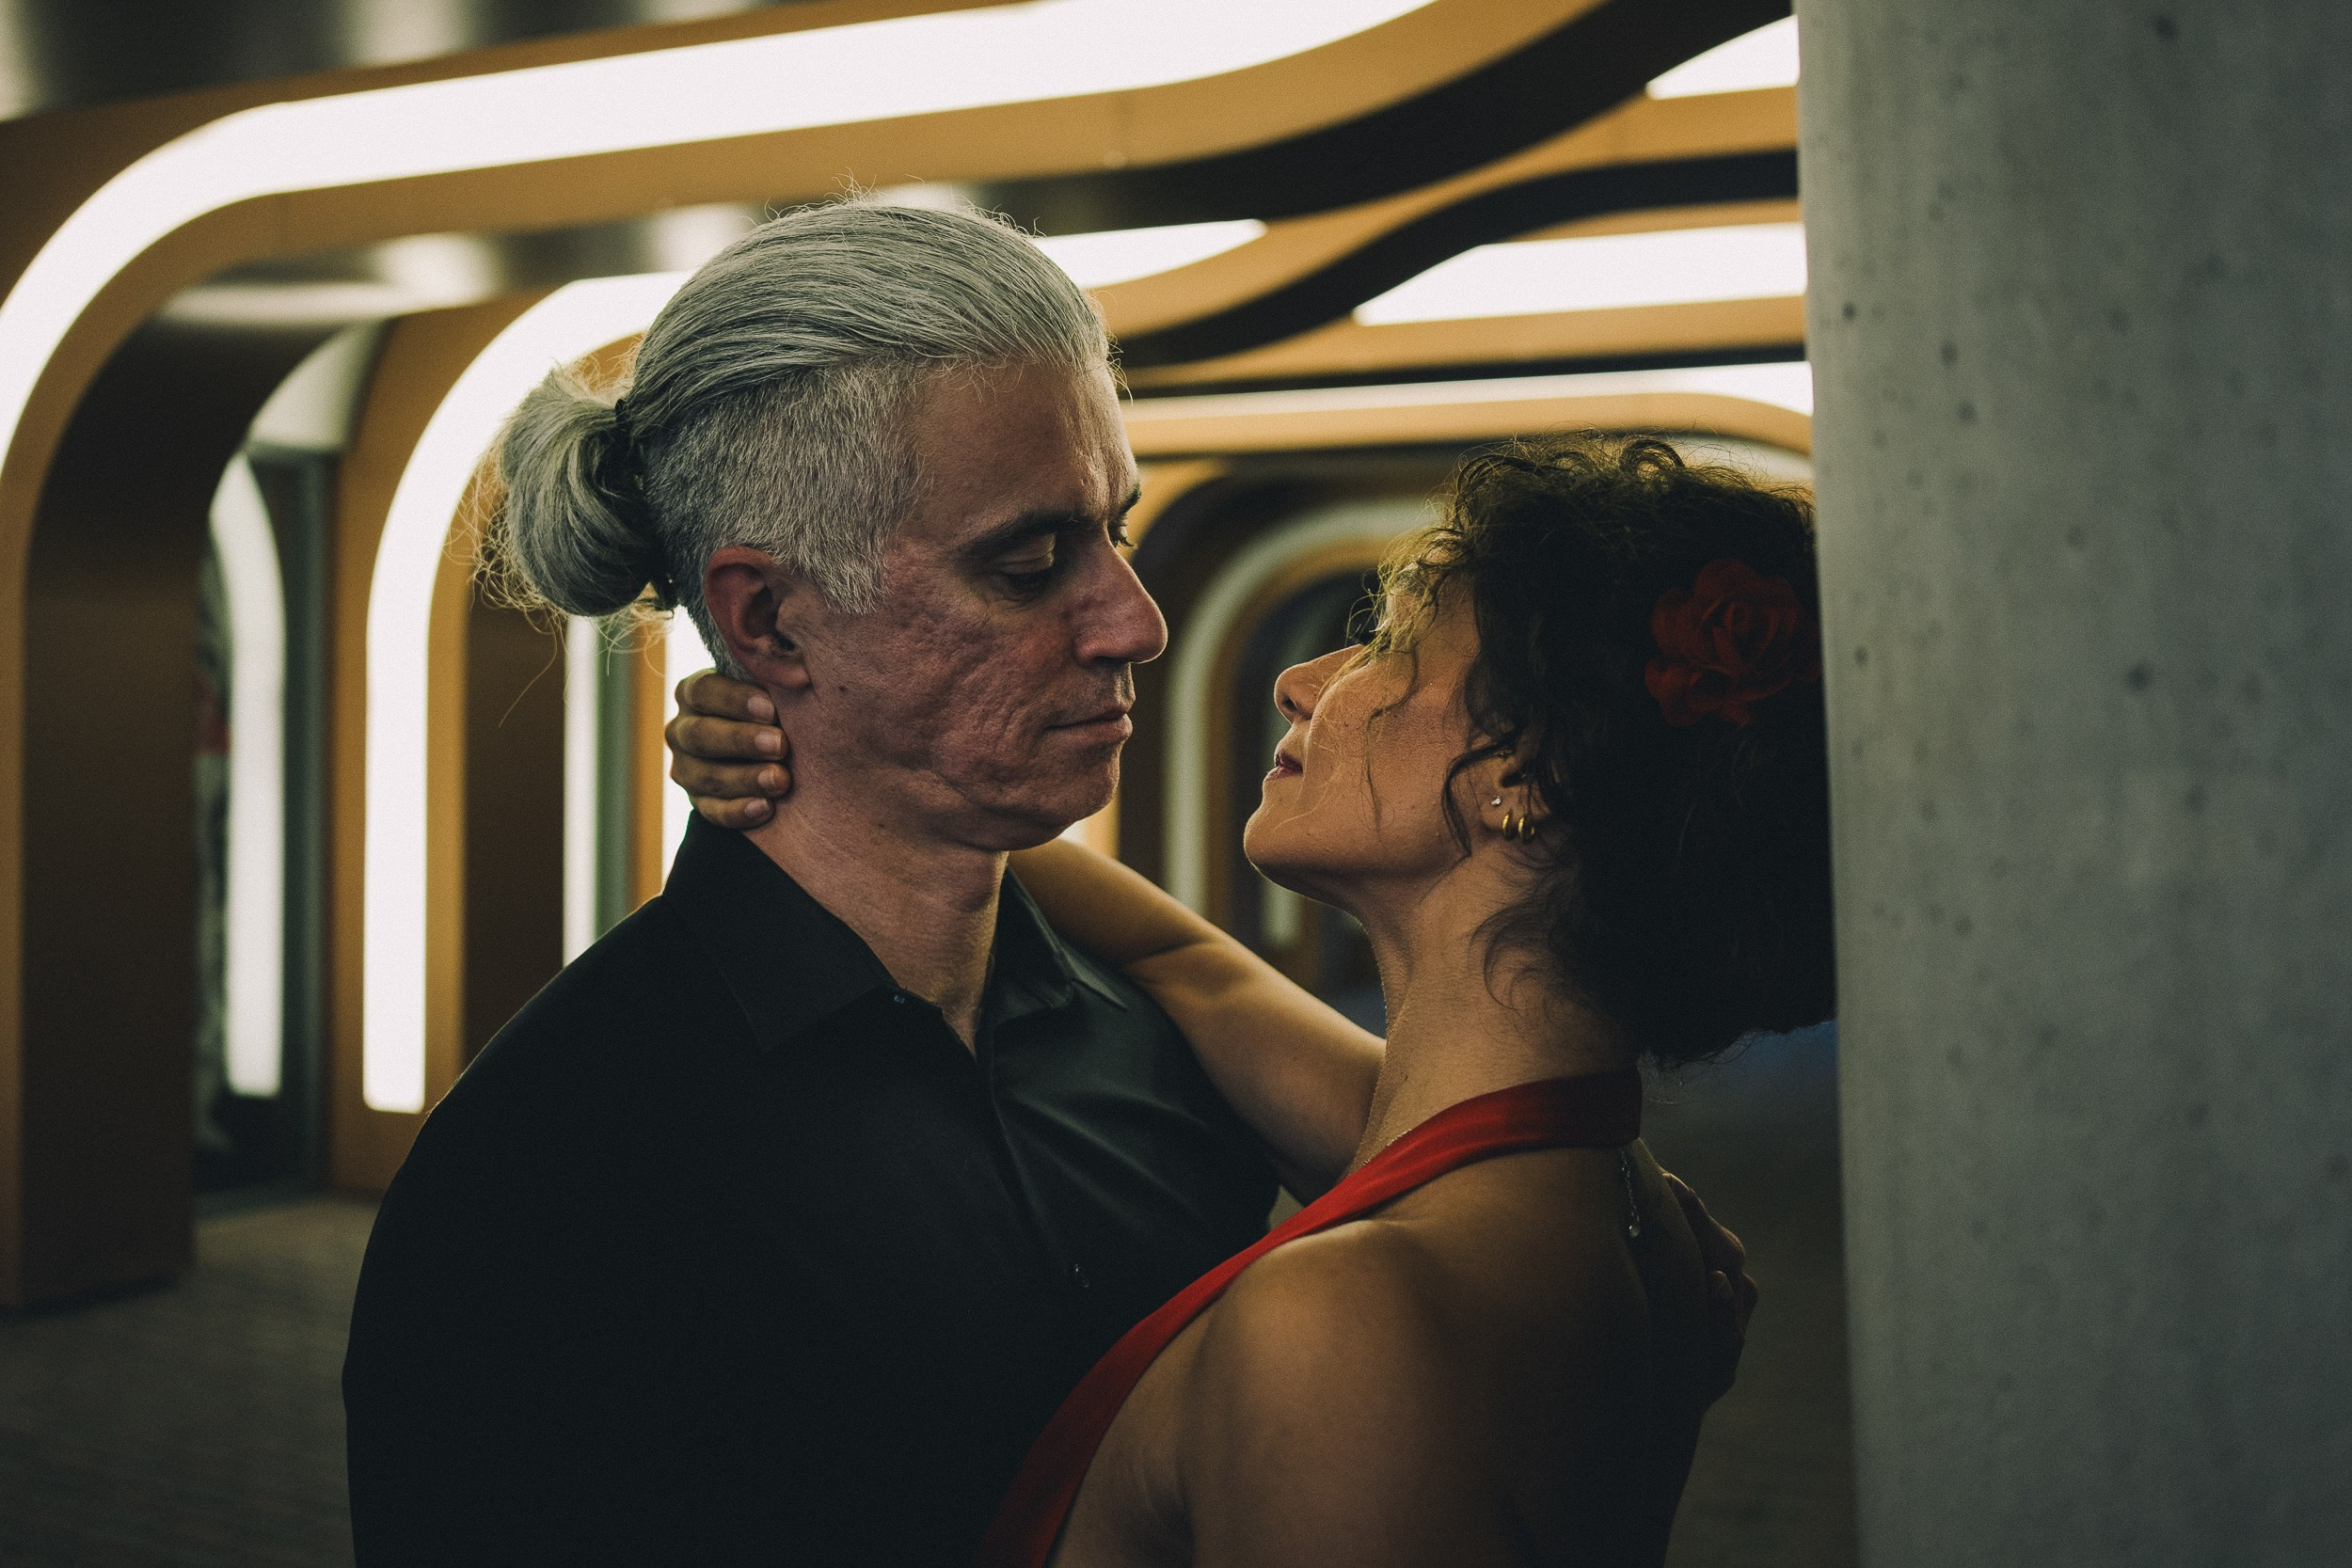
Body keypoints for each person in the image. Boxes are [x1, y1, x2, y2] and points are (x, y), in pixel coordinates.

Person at [343, 198, 1753, 1565]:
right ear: (767, 616)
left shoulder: (1171, 1042)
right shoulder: (549, 1174)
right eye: (1030, 563)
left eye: (1117, 531)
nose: (1135, 622)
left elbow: (1492, 1163)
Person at [670, 432, 1824, 1566]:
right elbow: (1191, 966)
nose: (1302, 678)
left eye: (1392, 643)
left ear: (1527, 770)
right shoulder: (1619, 1200)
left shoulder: (1346, 1328)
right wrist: (832, 753)